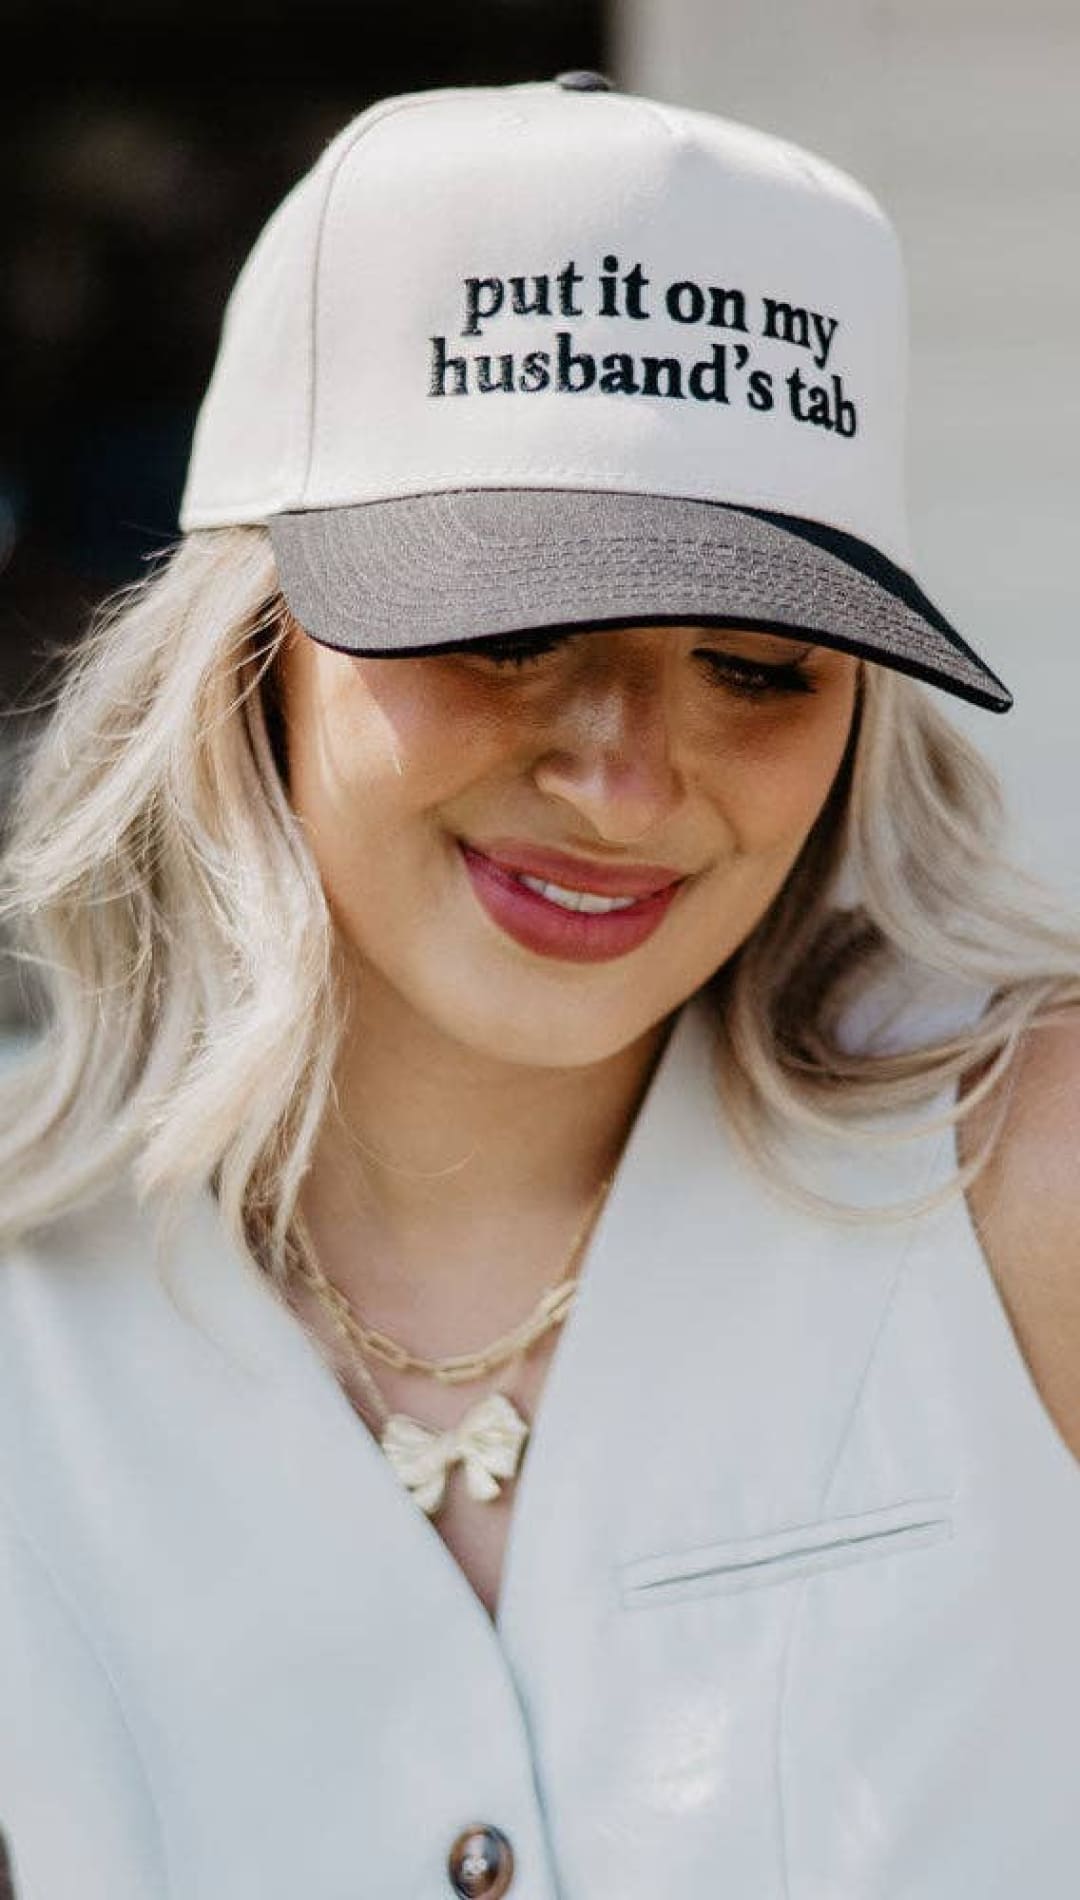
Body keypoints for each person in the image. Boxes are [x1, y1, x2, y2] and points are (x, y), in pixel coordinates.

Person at [1, 71, 1078, 1900]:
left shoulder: (1021, 1185)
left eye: (755, 666)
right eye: (504, 627)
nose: (627, 776)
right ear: (248, 640)